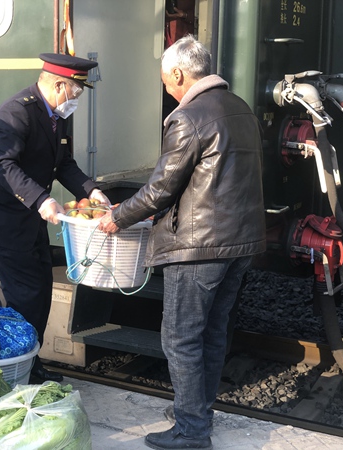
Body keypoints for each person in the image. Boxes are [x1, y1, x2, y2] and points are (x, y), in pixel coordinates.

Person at [98, 35, 265, 449]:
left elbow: (159, 189)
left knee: (181, 336)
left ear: (178, 73)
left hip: (199, 248)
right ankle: (198, 412)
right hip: (240, 244)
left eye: (165, 80)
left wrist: (116, 218)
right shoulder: (240, 109)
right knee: (211, 332)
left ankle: (192, 431)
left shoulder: (187, 117)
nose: (166, 89)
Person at [0, 53, 110, 382]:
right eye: (76, 92)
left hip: (26, 218)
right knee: (26, 294)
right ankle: (18, 371)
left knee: (40, 289)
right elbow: (3, 165)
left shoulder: (54, 113)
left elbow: (62, 163)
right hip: (1, 218)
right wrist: (40, 199)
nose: (77, 99)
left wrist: (90, 190)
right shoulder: (16, 114)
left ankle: (28, 362)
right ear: (59, 85)